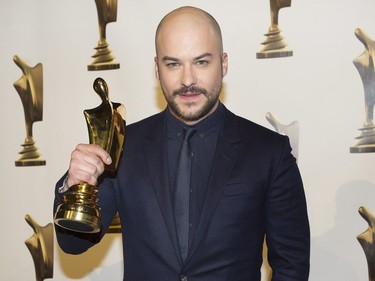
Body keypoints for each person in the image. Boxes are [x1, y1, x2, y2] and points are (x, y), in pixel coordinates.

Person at [54, 6, 310, 281]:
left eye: (201, 62)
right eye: (173, 64)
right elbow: (74, 243)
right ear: (157, 69)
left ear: (223, 64)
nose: (187, 80)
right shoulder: (122, 146)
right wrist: (75, 186)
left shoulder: (269, 151)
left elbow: (291, 265)